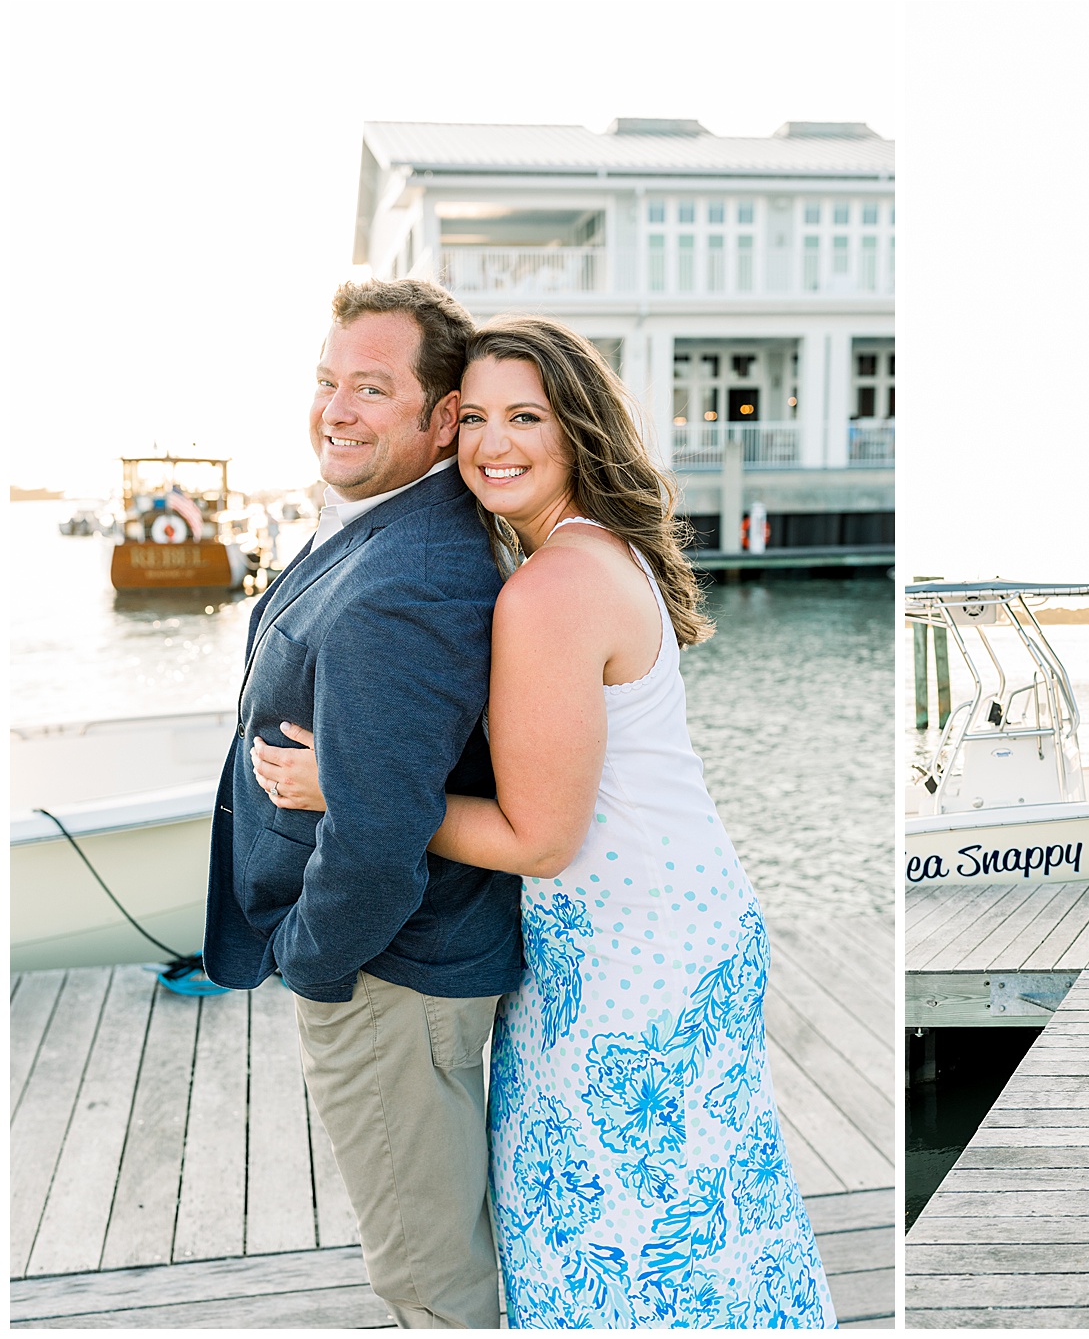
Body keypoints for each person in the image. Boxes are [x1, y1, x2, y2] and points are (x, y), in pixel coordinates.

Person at [252, 313, 836, 1327]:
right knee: (708, 1221)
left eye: (525, 416)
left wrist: (352, 789)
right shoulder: (599, 550)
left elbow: (539, 840)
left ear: (577, 427)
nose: (492, 443)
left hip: (631, 952)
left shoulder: (550, 587)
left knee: (612, 1240)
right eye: (473, 416)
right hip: (678, 918)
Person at [203, 280, 519, 1327]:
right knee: (432, 1255)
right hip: (397, 969)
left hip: (387, 977)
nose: (335, 408)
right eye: (329, 381)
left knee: (431, 1281)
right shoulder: (383, 525)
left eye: (371, 389)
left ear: (440, 419)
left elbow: (381, 837)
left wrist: (312, 955)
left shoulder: (410, 577)